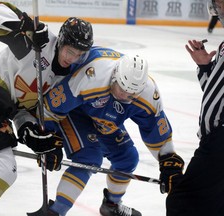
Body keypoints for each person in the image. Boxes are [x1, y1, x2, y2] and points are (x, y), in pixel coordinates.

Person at [0, 2, 93, 216]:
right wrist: (25, 26)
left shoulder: (64, 78)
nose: (72, 59)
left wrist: (28, 129)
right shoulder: (37, 44)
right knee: (4, 169)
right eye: (70, 51)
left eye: (79, 55)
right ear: (61, 41)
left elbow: (26, 104)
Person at [28, 48, 184, 216]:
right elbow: (50, 108)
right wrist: (49, 139)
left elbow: (157, 131)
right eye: (122, 90)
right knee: (88, 158)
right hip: (75, 109)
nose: (125, 97)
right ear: (114, 77)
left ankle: (112, 205)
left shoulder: (148, 94)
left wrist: (168, 160)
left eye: (131, 95)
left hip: (103, 117)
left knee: (128, 158)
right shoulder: (91, 76)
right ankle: (55, 212)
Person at [166, 1, 224, 215]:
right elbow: (214, 92)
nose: (218, 10)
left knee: (182, 201)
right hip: (214, 140)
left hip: (219, 143)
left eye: (221, 4)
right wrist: (205, 66)